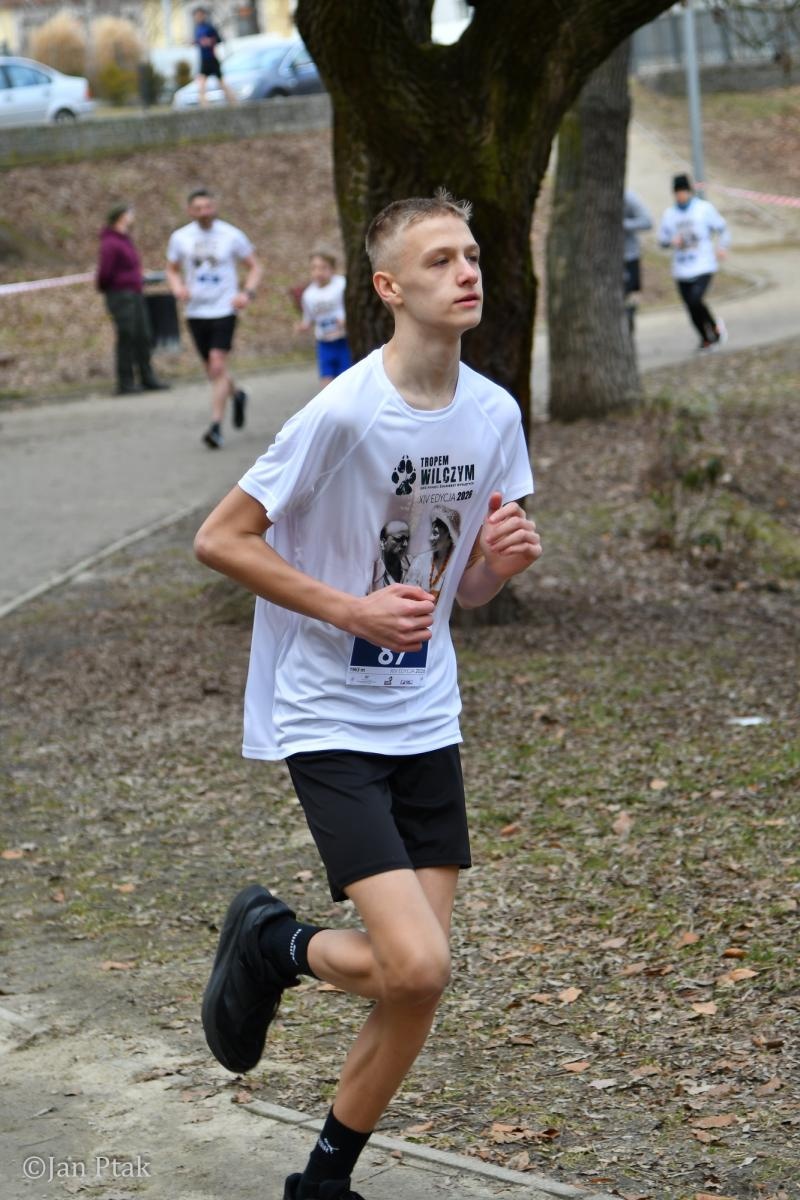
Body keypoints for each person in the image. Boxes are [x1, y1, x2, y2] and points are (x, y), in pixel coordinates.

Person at [193, 189, 542, 1200]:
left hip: (424, 713)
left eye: (472, 254)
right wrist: (347, 612)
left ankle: (320, 1182)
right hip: (330, 714)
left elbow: (448, 595)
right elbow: (220, 538)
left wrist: (492, 572)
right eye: (439, 260)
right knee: (419, 965)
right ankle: (275, 942)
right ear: (388, 288)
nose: (465, 271)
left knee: (412, 984)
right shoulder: (342, 411)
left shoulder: (494, 414)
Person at [166, 188, 262, 448]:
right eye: (198, 208)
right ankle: (238, 394)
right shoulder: (180, 238)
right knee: (213, 371)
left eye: (208, 206)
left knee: (217, 364)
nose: (204, 212)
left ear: (215, 207)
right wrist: (177, 288)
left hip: (224, 309)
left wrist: (247, 293)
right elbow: (172, 270)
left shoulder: (231, 235)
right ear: (190, 211)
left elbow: (254, 266)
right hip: (196, 311)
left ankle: (216, 427)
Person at [96, 203, 170, 396]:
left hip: (135, 292)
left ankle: (147, 377)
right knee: (127, 337)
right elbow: (105, 272)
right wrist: (117, 286)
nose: (132, 217)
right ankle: (126, 381)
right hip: (121, 295)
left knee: (143, 336)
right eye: (129, 214)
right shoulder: (110, 242)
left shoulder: (125, 240)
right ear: (121, 216)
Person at [658, 173, 731, 351]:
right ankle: (706, 338)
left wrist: (722, 247)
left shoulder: (703, 209)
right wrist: (671, 242)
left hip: (703, 264)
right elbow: (662, 240)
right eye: (677, 192)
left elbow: (722, 228)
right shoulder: (669, 214)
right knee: (690, 307)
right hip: (681, 267)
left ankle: (715, 327)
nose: (681, 196)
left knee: (695, 300)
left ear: (689, 191)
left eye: (683, 191)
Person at [296, 249, 352, 386]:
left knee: (346, 380)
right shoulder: (308, 295)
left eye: (323, 268)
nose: (318, 272)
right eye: (314, 268)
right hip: (324, 343)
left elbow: (352, 306)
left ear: (333, 269)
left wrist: (347, 320)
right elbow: (308, 318)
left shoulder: (341, 285)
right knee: (326, 383)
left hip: (343, 341)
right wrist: (302, 326)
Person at [405, 508, 460, 603]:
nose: (430, 538)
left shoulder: (458, 562)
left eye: (435, 533)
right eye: (432, 532)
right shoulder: (421, 561)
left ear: (448, 534)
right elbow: (407, 594)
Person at [192, 6, 237, 107]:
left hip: (212, 59)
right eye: (196, 16)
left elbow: (218, 40)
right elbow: (199, 42)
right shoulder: (197, 29)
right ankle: (204, 105)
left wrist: (208, 41)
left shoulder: (209, 27)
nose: (197, 17)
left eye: (199, 15)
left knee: (221, 83)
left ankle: (234, 102)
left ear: (203, 15)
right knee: (201, 84)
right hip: (204, 60)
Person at [623, 189, 652, 336]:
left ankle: (628, 328)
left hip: (629, 256)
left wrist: (623, 224)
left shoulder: (628, 198)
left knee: (629, 296)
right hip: (603, 261)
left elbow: (647, 221)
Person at [371, 520, 410, 589]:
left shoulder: (412, 565)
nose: (405, 544)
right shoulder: (372, 572)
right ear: (383, 542)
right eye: (399, 539)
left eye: (407, 539)